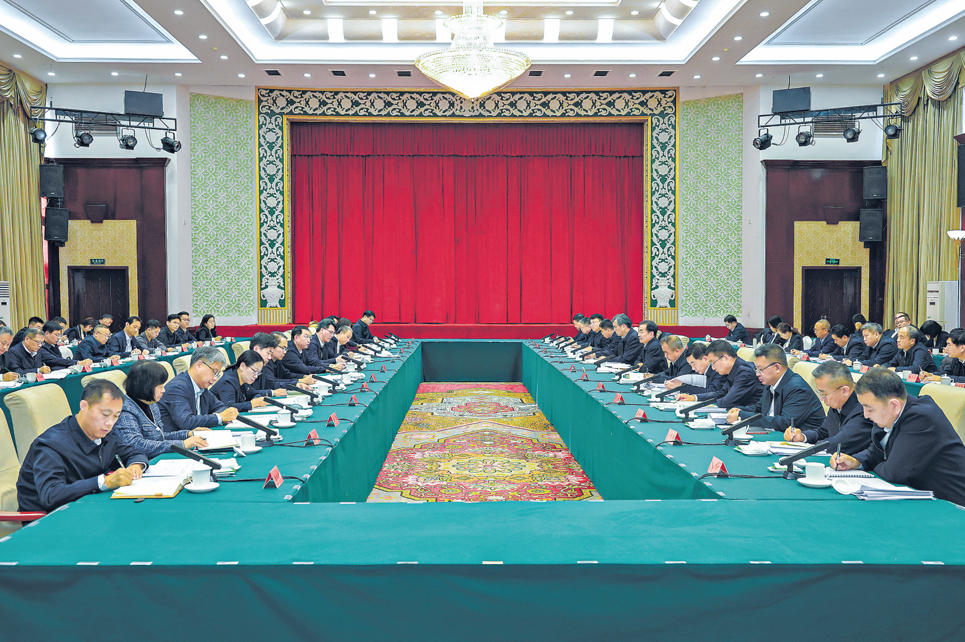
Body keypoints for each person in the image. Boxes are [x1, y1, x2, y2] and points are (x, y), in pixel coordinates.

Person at [830, 368, 965, 506]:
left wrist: (877, 465)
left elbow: (894, 473)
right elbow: (877, 451)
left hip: (954, 505)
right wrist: (856, 461)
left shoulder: (921, 418)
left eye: (869, 409)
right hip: (927, 500)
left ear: (894, 405)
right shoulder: (889, 413)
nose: (865, 415)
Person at [16, 380, 149, 512]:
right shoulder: (51, 444)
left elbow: (133, 452)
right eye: (105, 414)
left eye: (116, 416)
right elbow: (51, 495)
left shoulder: (104, 434)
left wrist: (135, 466)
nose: (110, 423)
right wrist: (104, 482)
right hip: (49, 518)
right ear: (84, 406)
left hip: (89, 507)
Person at [113, 360, 209, 459]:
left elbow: (159, 437)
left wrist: (188, 434)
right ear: (146, 386)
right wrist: (182, 444)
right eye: (160, 386)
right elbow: (136, 445)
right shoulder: (125, 410)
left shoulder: (151, 404)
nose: (164, 390)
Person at [728, 343, 825, 432]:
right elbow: (759, 408)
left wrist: (742, 416)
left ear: (777, 368)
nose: (757, 374)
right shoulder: (770, 383)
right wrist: (739, 410)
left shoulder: (797, 389)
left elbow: (785, 423)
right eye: (756, 369)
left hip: (804, 441)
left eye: (761, 369)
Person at [784, 360, 872, 454]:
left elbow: (840, 443)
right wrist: (802, 436)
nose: (822, 399)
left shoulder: (864, 408)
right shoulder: (838, 401)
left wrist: (812, 446)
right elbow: (822, 432)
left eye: (824, 394)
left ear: (844, 391)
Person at [157, 346, 239, 430]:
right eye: (214, 372)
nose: (215, 378)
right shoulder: (177, 388)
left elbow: (220, 407)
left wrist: (224, 414)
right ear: (199, 365)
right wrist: (219, 417)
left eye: (217, 374)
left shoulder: (201, 386)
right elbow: (186, 422)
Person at [698, 340, 763, 408]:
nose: (713, 368)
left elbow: (727, 402)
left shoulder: (745, 373)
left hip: (751, 413)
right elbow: (721, 393)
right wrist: (696, 397)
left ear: (725, 358)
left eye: (713, 363)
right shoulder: (733, 369)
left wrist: (704, 405)